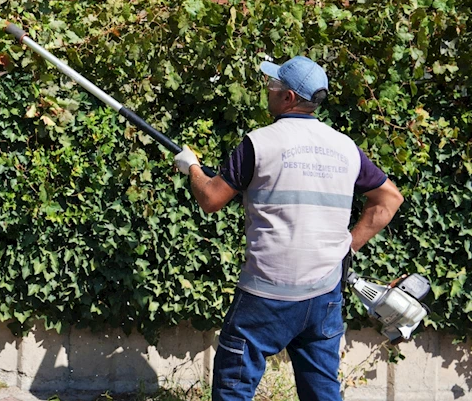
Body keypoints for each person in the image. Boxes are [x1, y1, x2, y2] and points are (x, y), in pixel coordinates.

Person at [173, 55, 404, 401]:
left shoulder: (259, 143)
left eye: (273, 85)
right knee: (322, 391)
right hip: (325, 294)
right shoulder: (345, 147)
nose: (268, 89)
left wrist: (190, 166)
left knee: (233, 388)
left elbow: (210, 198)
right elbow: (390, 200)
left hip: (266, 293)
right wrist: (347, 248)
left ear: (289, 98)